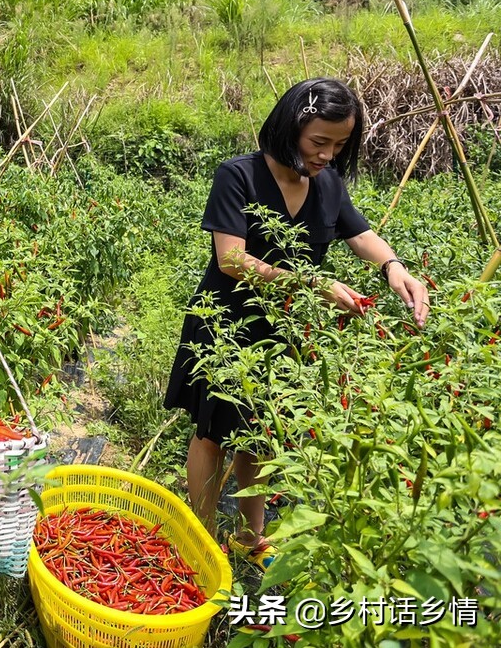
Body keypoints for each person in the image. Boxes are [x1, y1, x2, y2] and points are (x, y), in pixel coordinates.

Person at [164, 78, 429, 569]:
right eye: (319, 142)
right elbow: (232, 261)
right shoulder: (238, 176)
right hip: (226, 324)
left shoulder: (328, 184)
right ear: (291, 128)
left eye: (340, 144)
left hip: (282, 330)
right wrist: (313, 284)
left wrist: (396, 269)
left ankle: (250, 536)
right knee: (212, 431)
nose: (328, 154)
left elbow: (361, 232)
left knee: (261, 429)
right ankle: (197, 543)